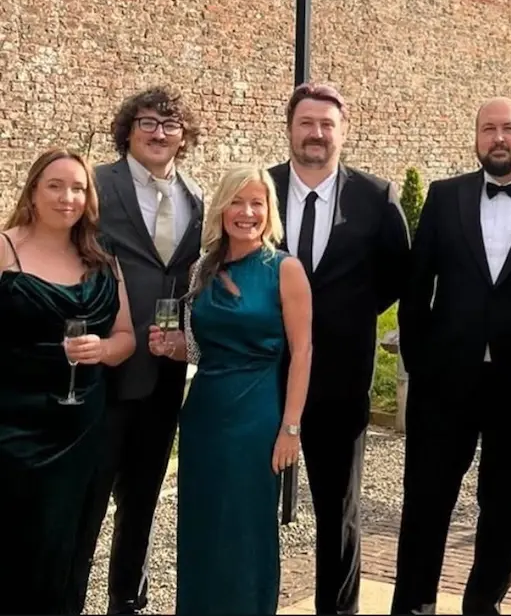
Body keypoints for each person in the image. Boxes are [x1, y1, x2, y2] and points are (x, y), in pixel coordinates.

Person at [391, 97, 511, 615]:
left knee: (507, 508)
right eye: (488, 128)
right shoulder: (444, 196)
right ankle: (413, 608)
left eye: (508, 128)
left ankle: (482, 606)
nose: (498, 138)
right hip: (445, 381)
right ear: (476, 137)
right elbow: (416, 288)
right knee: (425, 501)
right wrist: (421, 364)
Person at [269, 82, 409, 615]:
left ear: (343, 132)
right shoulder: (261, 188)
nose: (316, 133)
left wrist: (349, 315)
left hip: (342, 378)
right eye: (306, 123)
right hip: (267, 372)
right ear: (290, 128)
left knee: (338, 509)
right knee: (252, 503)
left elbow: (396, 275)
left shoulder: (376, 197)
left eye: (327, 124)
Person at [148, 165, 312, 615]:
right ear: (221, 208)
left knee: (247, 529)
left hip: (257, 417)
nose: (246, 212)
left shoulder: (285, 269)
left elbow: (302, 352)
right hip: (204, 415)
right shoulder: (201, 269)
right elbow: (199, 348)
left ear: (270, 210)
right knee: (203, 527)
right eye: (237, 202)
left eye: (257, 202)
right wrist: (170, 346)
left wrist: (291, 428)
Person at [72, 87, 204, 616]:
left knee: (143, 498)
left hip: (164, 370)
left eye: (170, 125)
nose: (159, 133)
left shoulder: (197, 196)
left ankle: (127, 600)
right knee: (86, 498)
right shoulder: (96, 185)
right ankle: (66, 596)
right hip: (104, 365)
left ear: (184, 137)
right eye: (147, 122)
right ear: (127, 130)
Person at [0, 149, 135, 615]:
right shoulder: (4, 248)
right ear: (33, 191)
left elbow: (126, 337)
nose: (67, 197)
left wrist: (102, 350)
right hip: (11, 427)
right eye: (55, 186)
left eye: (78, 188)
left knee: (66, 549)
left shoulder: (103, 256)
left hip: (81, 428)